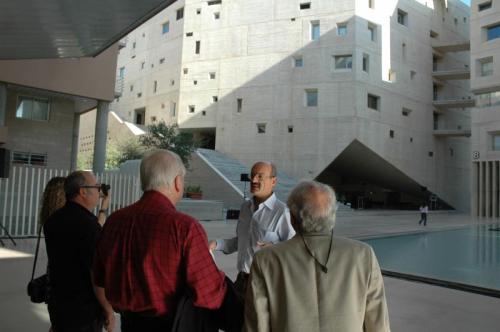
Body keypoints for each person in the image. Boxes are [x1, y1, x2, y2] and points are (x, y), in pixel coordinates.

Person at [93, 150, 231, 332]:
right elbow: (209, 294)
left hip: (129, 324)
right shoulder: (184, 227)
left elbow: (99, 277)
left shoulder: (114, 221)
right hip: (172, 325)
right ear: (177, 182)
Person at [244, 181, 391, 332]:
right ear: (333, 217)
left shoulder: (265, 259)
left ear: (292, 219)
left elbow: (257, 325)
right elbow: (378, 324)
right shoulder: (363, 255)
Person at [209, 161, 295, 296]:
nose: (253, 180)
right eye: (253, 175)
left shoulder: (282, 212)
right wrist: (217, 244)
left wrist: (276, 249)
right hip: (242, 280)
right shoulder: (245, 207)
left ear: (274, 181)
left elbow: (295, 248)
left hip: (266, 285)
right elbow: (242, 241)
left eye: (260, 176)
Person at [44, 171, 113, 332]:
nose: (99, 191)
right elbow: (95, 273)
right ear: (82, 191)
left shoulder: (53, 220)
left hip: (58, 302)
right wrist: (107, 308)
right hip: (83, 309)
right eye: (96, 187)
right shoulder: (89, 226)